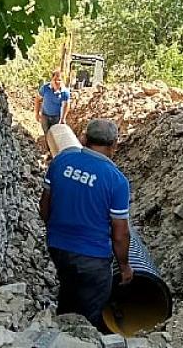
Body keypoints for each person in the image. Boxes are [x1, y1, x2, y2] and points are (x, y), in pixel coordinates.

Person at [39, 119, 134, 330]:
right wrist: (125, 267)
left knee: (68, 291)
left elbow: (44, 206)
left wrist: (55, 231)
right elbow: (120, 234)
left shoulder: (61, 161)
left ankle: (58, 329)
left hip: (58, 248)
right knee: (90, 315)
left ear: (83, 138)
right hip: (93, 259)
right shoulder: (116, 180)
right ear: (114, 145)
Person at [34, 69, 71, 135]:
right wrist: (37, 113)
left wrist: (63, 118)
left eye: (59, 80)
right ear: (51, 80)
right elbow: (37, 99)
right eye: (55, 80)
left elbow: (66, 106)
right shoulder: (45, 88)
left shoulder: (65, 92)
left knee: (55, 135)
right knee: (46, 133)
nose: (57, 82)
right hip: (45, 116)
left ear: (62, 81)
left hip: (56, 117)